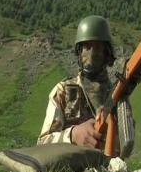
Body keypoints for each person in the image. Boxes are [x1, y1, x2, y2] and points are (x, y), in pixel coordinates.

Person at [37, 15, 122, 151]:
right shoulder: (62, 91)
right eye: (87, 47)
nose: (92, 54)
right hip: (71, 170)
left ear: (107, 53)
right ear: (79, 51)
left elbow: (126, 146)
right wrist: (72, 135)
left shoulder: (117, 96)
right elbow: (43, 143)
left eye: (98, 47)